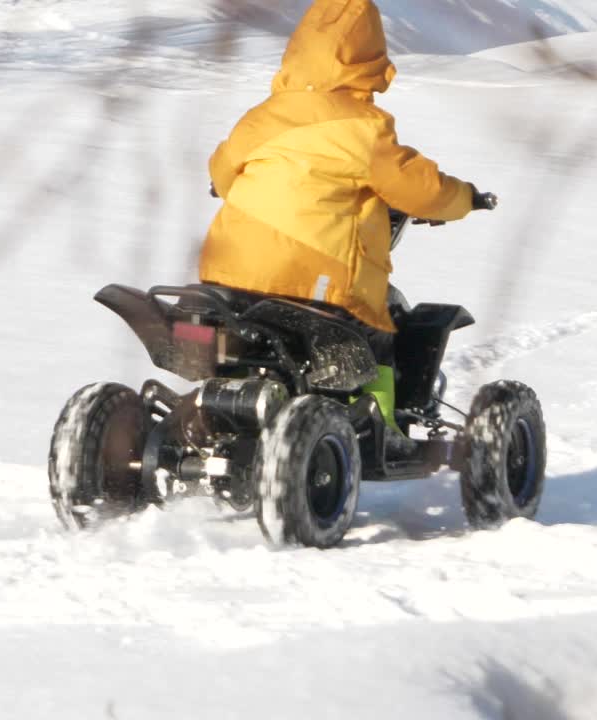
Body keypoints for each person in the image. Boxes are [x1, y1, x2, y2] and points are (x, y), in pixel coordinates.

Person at [201, 0, 495, 457]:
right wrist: (467, 197)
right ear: (368, 58)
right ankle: (385, 434)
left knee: (236, 345)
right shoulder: (364, 128)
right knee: (379, 332)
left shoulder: (260, 118)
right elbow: (421, 189)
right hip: (317, 284)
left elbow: (222, 174)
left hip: (228, 278)